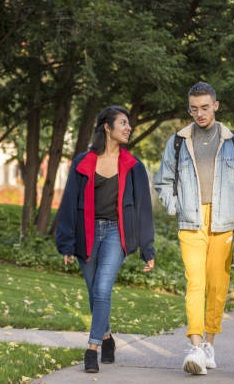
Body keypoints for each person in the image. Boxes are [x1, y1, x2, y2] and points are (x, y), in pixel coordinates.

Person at [154, 82, 234, 375]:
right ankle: (195, 347)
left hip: (223, 223)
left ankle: (209, 343)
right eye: (194, 108)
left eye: (205, 107)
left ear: (215, 106)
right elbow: (163, 181)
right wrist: (176, 206)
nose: (199, 113)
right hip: (191, 223)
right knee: (194, 283)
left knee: (217, 287)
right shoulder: (179, 141)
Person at [55, 105, 155, 374]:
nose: (128, 128)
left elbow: (144, 210)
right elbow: (68, 204)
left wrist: (148, 248)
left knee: (102, 289)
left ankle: (92, 348)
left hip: (115, 233)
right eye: (123, 123)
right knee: (94, 292)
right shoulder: (83, 162)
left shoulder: (134, 166)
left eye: (128, 124)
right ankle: (108, 337)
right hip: (87, 234)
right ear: (107, 128)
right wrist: (65, 242)